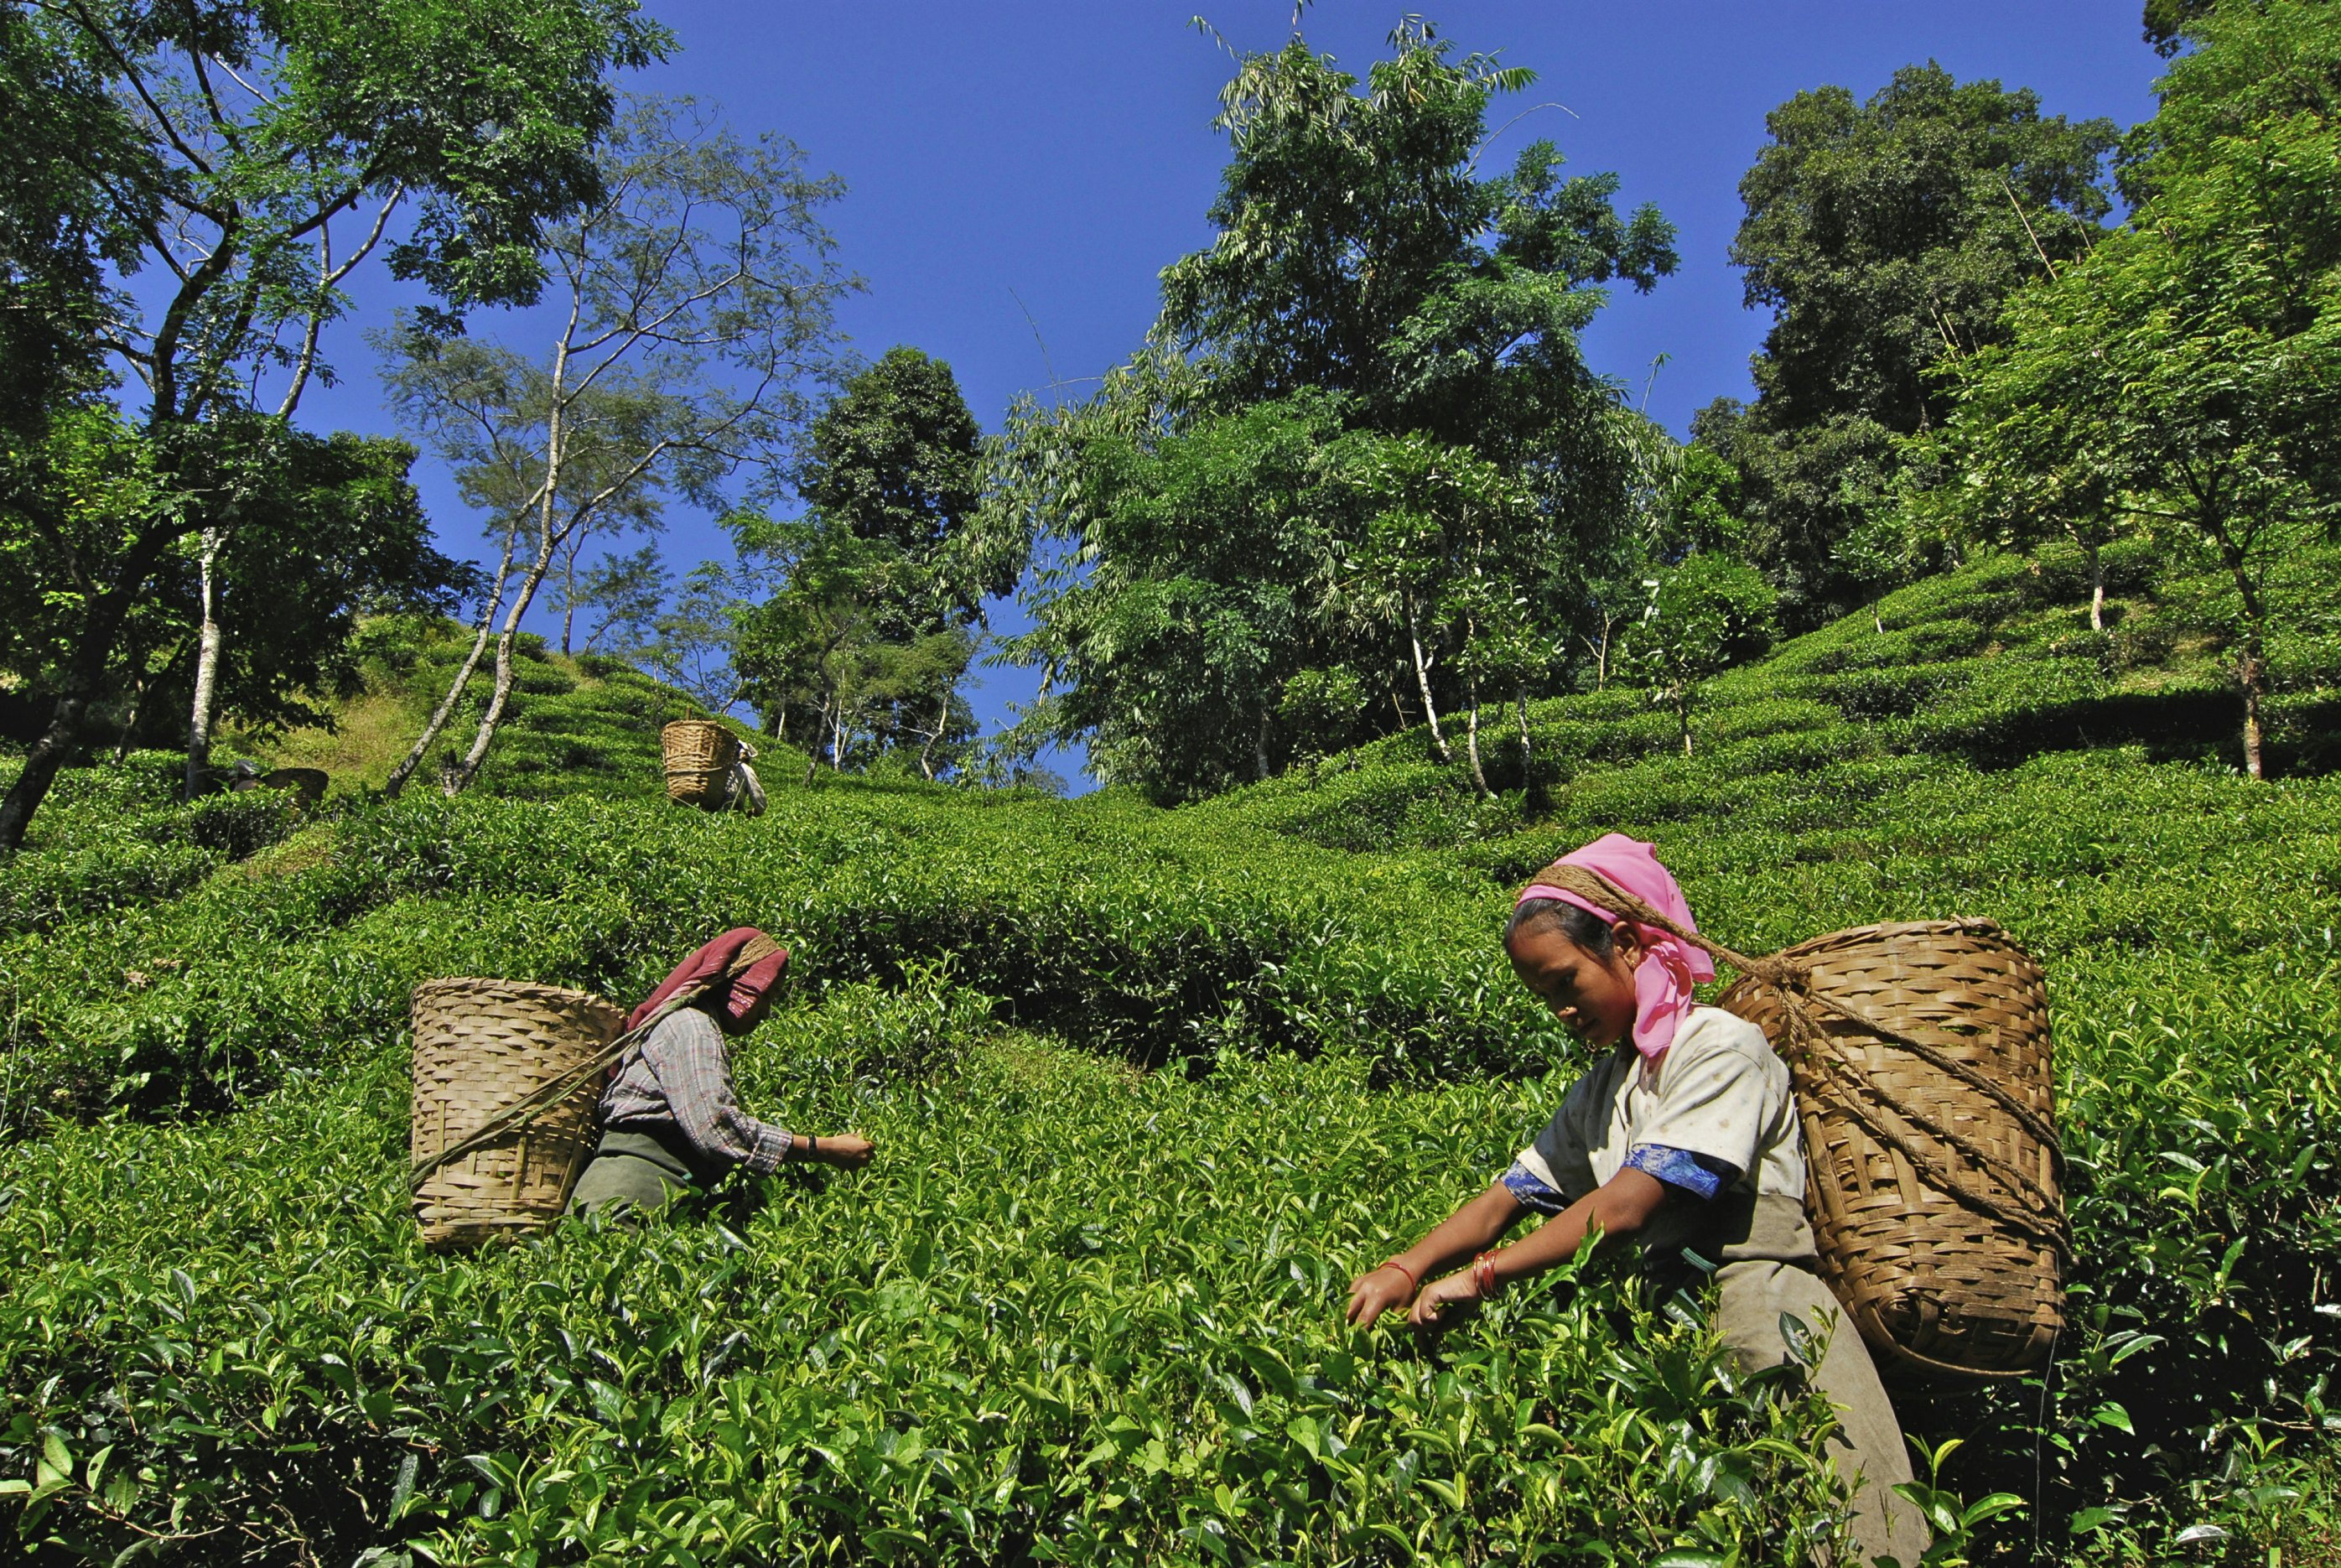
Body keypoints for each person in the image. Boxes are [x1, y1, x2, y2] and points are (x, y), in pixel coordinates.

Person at [1343, 835, 1928, 1565]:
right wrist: (1406, 1267)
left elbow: (1626, 1207)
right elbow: (1509, 1196)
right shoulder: (1608, 1085)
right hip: (1671, 1333)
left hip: (1767, 1317)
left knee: (1856, 1535)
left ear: (1623, 943)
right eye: (1542, 998)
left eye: (1564, 983)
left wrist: (1483, 1277)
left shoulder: (1720, 1045)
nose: (1559, 1012)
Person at [568, 927, 874, 1215]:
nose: (766, 1012)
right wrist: (824, 1148)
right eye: (766, 995)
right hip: (633, 1196)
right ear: (738, 983)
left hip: (628, 1195)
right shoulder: (691, 1026)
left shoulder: (684, 1024)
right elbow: (717, 1129)